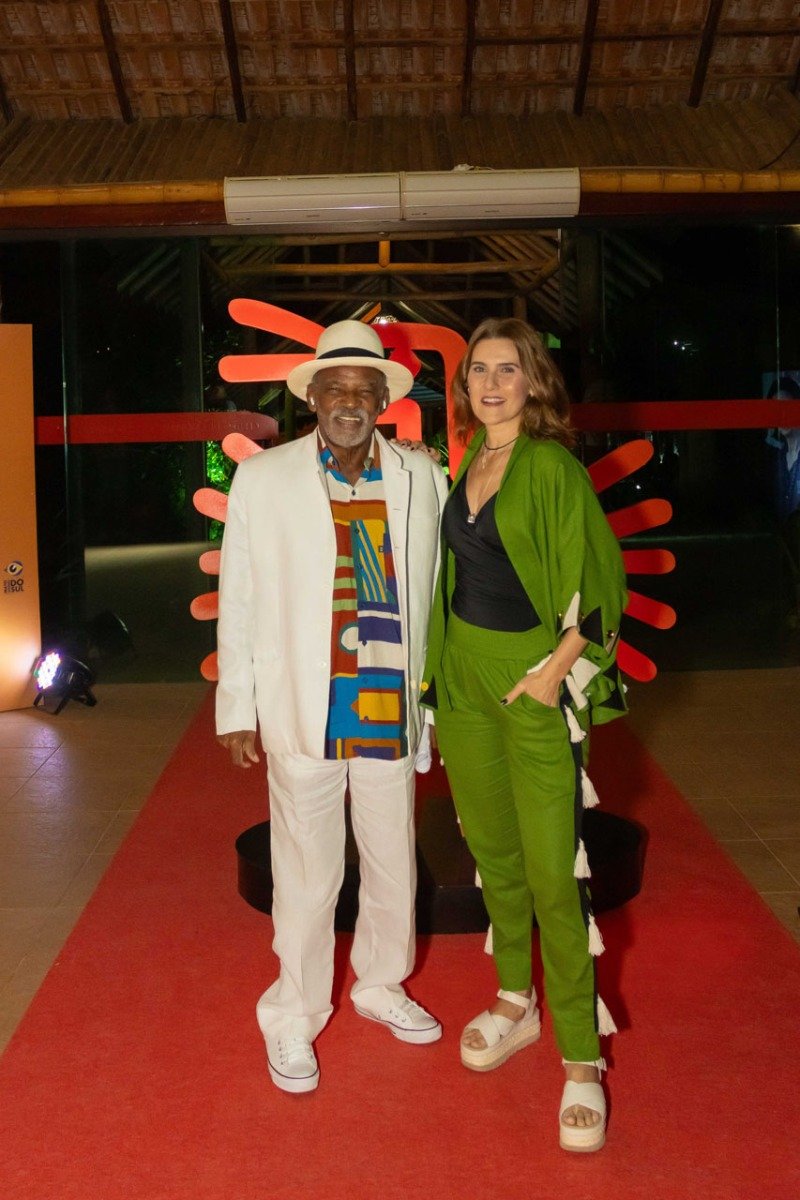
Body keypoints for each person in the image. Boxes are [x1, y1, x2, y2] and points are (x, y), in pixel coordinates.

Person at [216, 319, 449, 1094]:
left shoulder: (421, 476)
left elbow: (437, 593)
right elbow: (239, 595)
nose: (350, 401)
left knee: (392, 860)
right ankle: (294, 1012)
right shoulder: (265, 478)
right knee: (306, 870)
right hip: (304, 698)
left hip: (389, 694)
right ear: (311, 397)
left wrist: (437, 702)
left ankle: (382, 984)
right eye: (335, 388)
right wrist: (237, 704)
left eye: (364, 389)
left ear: (384, 400)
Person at [421, 317, 628, 1152]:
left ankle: (582, 1057)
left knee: (551, 873)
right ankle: (516, 999)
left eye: (508, 369)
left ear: (534, 380)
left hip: (532, 682)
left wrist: (552, 673)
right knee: (494, 853)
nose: (491, 383)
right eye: (478, 370)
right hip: (464, 681)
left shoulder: (550, 466)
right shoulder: (470, 458)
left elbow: (600, 582)